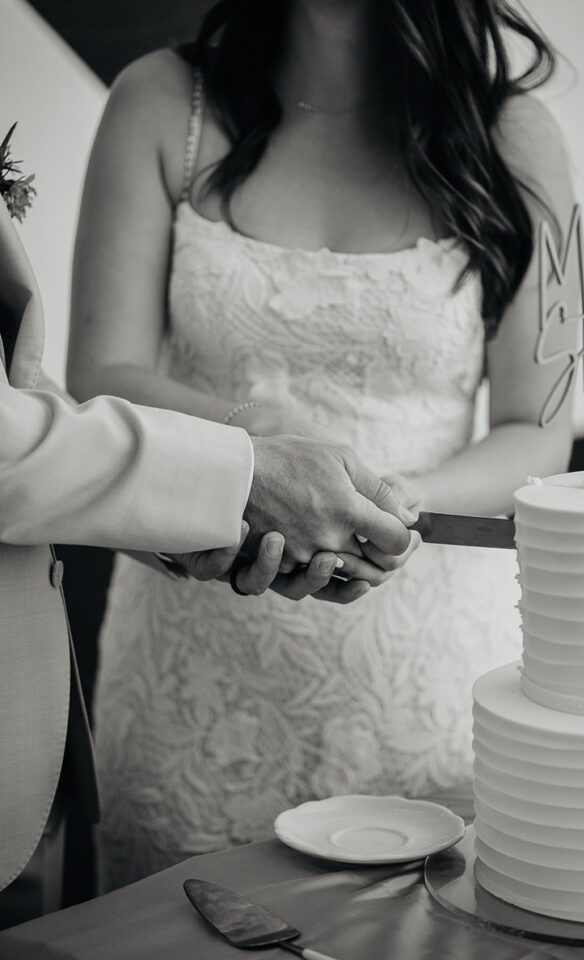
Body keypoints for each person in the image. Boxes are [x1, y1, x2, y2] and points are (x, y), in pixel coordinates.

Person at [68, 0, 577, 890]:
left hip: (424, 684)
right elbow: (104, 374)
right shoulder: (162, 102)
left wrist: (379, 506)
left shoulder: (513, 138)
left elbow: (536, 428)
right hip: (194, 669)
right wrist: (259, 457)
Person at [0, 196, 414, 926]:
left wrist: (210, 518)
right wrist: (243, 477)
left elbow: (25, 398)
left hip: (29, 733)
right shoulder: (162, 102)